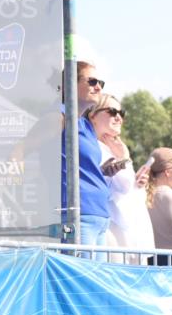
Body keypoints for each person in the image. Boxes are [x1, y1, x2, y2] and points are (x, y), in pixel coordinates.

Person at [85, 93, 154, 264]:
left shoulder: (115, 148)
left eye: (121, 113)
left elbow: (127, 191)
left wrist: (138, 185)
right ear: (92, 116)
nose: (118, 117)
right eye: (111, 111)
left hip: (128, 234)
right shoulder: (92, 147)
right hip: (111, 232)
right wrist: (124, 159)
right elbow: (121, 187)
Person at [61, 61, 111, 257]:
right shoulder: (60, 116)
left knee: (94, 283)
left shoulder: (86, 125)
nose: (98, 87)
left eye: (100, 82)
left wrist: (103, 171)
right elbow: (23, 149)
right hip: (78, 215)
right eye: (91, 81)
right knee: (80, 283)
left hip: (99, 216)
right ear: (69, 84)